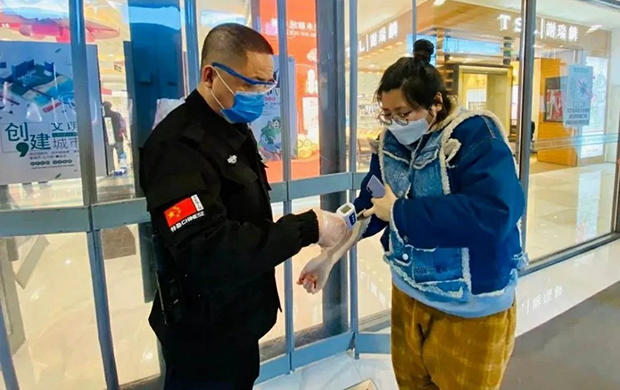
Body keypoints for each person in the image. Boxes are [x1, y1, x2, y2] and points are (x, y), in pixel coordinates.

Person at [299, 43, 526, 390]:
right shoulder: (389, 144)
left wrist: (400, 212)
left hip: (470, 305)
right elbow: (373, 204)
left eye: (403, 113)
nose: (395, 123)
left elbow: (495, 213)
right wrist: (330, 255)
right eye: (387, 114)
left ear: (435, 103)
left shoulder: (477, 136)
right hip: (408, 292)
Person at [140, 23, 348, 390]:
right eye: (251, 84)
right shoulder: (176, 148)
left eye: (267, 85)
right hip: (203, 334)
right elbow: (208, 250)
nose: (260, 95)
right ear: (210, 75)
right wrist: (307, 227)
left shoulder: (231, 129)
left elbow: (247, 214)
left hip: (238, 318)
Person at [103, 101, 128, 171]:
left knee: (109, 156)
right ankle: (123, 168)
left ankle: (111, 170)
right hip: (118, 137)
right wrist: (125, 135)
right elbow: (123, 126)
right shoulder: (117, 115)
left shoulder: (102, 117)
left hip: (107, 139)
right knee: (121, 154)